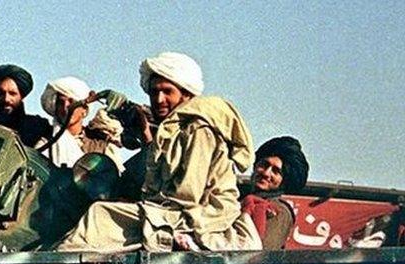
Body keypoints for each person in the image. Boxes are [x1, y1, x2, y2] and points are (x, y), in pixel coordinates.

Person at [57, 52, 261, 253]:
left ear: (186, 94)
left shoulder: (199, 130)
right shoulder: (173, 129)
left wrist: (144, 205)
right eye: (154, 92)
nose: (159, 99)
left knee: (99, 215)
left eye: (167, 92)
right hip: (175, 211)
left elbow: (187, 195)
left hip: (201, 216)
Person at [37, 77, 124, 171]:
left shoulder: (101, 144)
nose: (66, 107)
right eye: (60, 102)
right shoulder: (46, 143)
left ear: (84, 110)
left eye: (72, 102)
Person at [240, 136, 309, 249]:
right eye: (264, 165)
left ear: (284, 180)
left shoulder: (279, 210)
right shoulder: (240, 200)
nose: (266, 173)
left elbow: (262, 253)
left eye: (276, 171)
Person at [0, 64, 52, 147]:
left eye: (12, 94)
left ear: (21, 96)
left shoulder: (39, 126)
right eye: (1, 93)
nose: (6, 99)